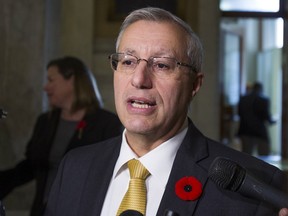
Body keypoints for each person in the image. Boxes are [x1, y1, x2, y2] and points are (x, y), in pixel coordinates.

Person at [44, 8, 287, 216]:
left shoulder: (255, 189)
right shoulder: (74, 167)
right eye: (128, 62)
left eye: (161, 65)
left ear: (194, 85)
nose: (139, 80)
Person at [0, 56, 123, 216]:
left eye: (51, 80)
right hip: (43, 210)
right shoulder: (45, 121)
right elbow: (30, 166)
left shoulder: (107, 123)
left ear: (71, 79)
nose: (46, 87)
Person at [238, 82, 276, 156]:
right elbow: (266, 117)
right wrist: (273, 121)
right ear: (261, 89)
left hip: (245, 130)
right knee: (264, 156)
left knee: (246, 156)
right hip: (259, 131)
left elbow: (239, 113)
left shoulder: (243, 99)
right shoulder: (264, 100)